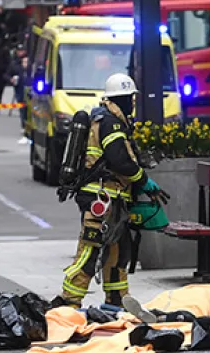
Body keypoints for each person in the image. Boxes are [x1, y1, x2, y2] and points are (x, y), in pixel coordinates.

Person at [52, 73, 157, 308]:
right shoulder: (110, 123)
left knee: (118, 251)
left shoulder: (108, 119)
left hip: (112, 199)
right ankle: (67, 301)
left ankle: (116, 299)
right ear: (122, 98)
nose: (132, 104)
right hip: (101, 198)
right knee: (90, 252)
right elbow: (119, 160)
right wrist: (143, 180)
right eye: (130, 99)